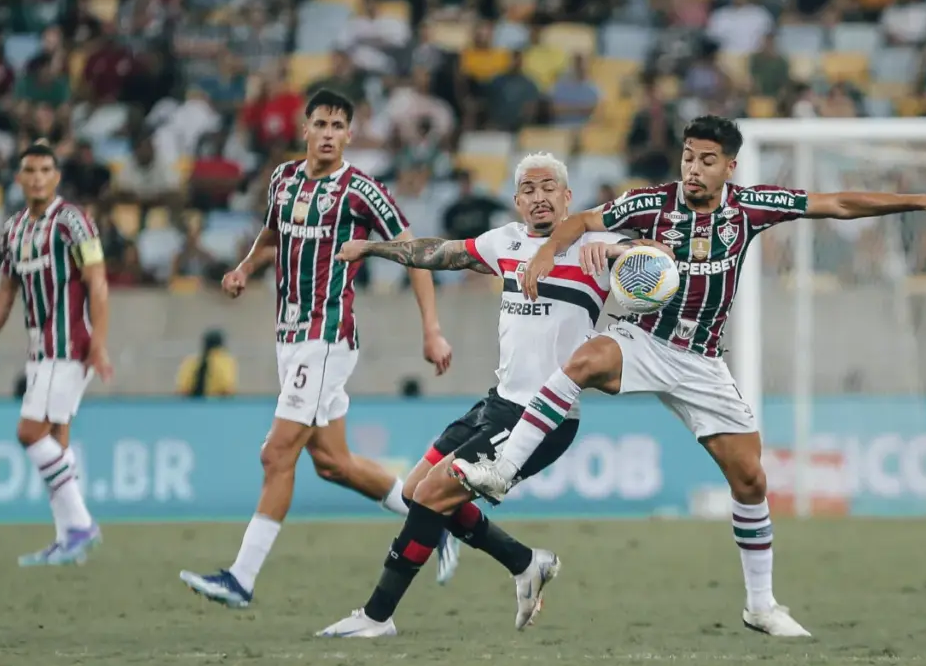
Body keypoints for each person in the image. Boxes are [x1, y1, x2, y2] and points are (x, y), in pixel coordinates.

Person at [452, 115, 926, 637]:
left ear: (729, 166)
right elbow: (582, 221)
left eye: (706, 160)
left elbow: (834, 204)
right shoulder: (652, 202)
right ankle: (504, 467)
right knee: (584, 362)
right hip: (645, 340)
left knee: (750, 480)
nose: (693, 169)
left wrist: (923, 202)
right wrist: (544, 253)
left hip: (702, 363)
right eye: (687, 157)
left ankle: (761, 605)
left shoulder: (750, 207)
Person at [315, 152, 660, 637]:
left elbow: (656, 257)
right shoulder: (506, 242)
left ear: (567, 197)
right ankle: (525, 561)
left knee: (434, 496)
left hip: (545, 416)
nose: (539, 198)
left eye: (548, 188)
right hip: (497, 403)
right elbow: (439, 252)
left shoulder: (595, 244)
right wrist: (373, 249)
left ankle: (377, 617)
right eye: (528, 190)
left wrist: (623, 252)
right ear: (517, 200)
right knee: (416, 492)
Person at [179, 89, 456, 607]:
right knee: (333, 463)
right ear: (304, 129)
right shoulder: (282, 180)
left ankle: (240, 579)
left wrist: (432, 329)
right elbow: (270, 238)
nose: (328, 133)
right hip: (289, 337)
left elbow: (416, 253)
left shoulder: (362, 191)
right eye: (320, 124)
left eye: (337, 125)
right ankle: (431, 520)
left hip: (325, 338)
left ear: (350, 135)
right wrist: (243, 267)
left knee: (276, 454)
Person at [0, 139, 112, 566]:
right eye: (30, 171)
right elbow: (6, 293)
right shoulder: (14, 229)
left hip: (68, 345)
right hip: (40, 347)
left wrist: (99, 342)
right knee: (57, 442)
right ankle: (68, 537)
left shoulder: (74, 222)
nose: (37, 178)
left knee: (29, 434)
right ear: (19, 178)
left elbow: (97, 282)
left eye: (45, 170)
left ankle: (81, 525)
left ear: (57, 176)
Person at [176, 329, 237, 397]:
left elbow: (183, 388)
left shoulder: (192, 361)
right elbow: (226, 387)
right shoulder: (224, 360)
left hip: (192, 402)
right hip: (216, 402)